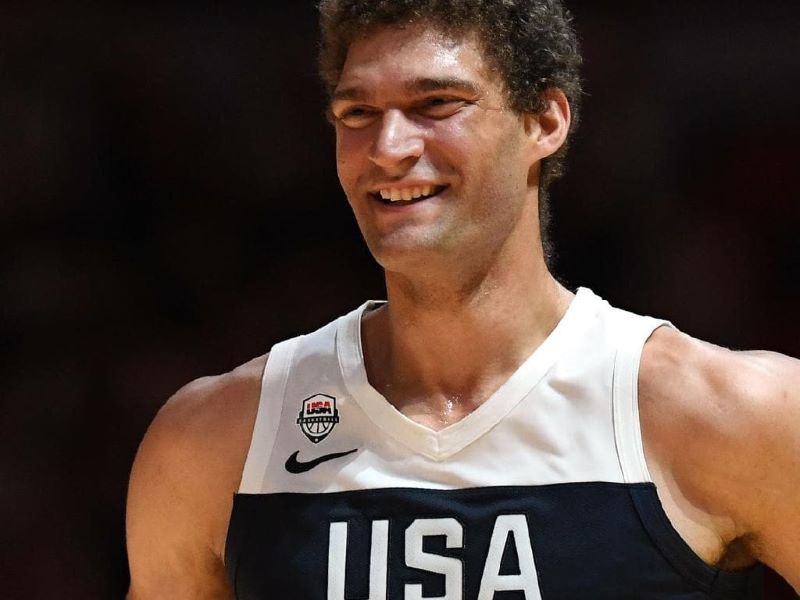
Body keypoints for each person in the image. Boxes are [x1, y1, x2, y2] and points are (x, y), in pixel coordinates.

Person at [125, 0, 800, 597]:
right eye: (358, 112)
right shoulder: (213, 443)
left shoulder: (731, 415)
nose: (388, 147)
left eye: (436, 104)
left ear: (545, 120)